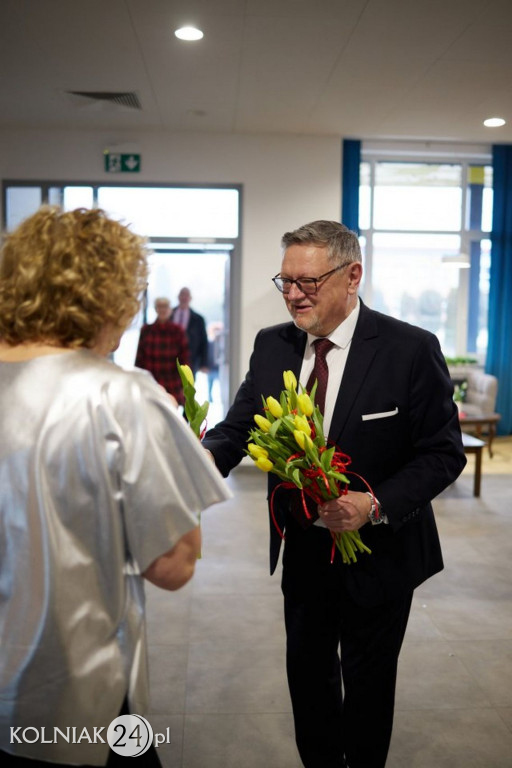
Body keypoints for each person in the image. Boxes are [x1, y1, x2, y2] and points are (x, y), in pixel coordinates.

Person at [202, 220, 466, 768]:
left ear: (353, 277)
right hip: (303, 548)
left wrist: (374, 505)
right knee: (309, 681)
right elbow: (242, 423)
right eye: (285, 282)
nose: (294, 295)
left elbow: (443, 453)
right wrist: (199, 462)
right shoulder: (272, 345)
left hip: (382, 554)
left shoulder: (410, 349)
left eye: (308, 282)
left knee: (369, 689)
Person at [0, 207, 231, 767]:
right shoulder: (119, 396)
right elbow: (173, 565)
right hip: (74, 695)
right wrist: (179, 453)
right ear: (107, 295)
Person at [135, 296, 190, 405]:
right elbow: (139, 359)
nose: (162, 309)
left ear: (170, 309)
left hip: (172, 382)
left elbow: (185, 361)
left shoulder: (178, 331)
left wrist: (186, 386)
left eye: (165, 306)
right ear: (155, 309)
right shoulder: (146, 330)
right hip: (151, 382)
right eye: (159, 306)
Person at [171, 287, 208, 375]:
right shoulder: (169, 314)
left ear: (190, 298)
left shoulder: (198, 319)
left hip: (190, 360)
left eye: (186, 295)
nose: (184, 298)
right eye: (182, 295)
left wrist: (204, 363)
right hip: (170, 359)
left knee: (187, 386)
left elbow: (203, 342)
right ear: (178, 297)